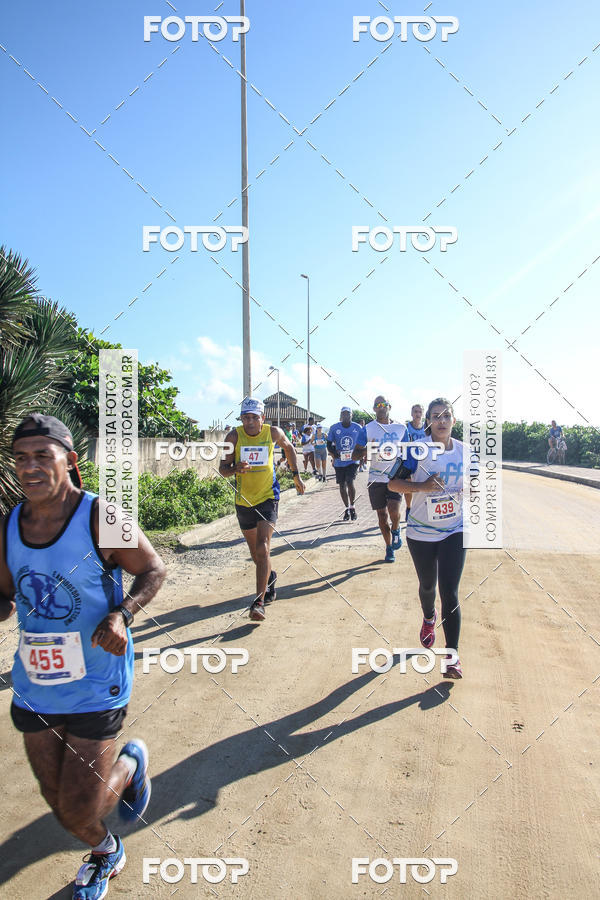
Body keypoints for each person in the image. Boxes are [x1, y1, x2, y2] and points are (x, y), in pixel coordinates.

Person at [0, 414, 167, 900]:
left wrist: (122, 615)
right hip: (35, 684)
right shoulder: (8, 524)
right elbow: (6, 596)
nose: (29, 467)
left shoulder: (100, 516)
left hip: (97, 679)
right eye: (21, 458)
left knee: (77, 809)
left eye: (42, 455)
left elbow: (153, 569)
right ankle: (119, 796)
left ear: (70, 460)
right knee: (58, 799)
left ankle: (109, 837)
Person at [389, 398, 465, 679]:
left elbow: (478, 483)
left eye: (446, 416)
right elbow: (393, 483)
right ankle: (428, 617)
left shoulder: (466, 452)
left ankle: (452, 658)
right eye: (436, 416)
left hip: (454, 529)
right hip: (420, 531)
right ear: (429, 421)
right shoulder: (416, 450)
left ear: (454, 420)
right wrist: (422, 486)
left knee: (450, 592)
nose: (441, 421)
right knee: (428, 586)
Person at [220, 398, 305, 622]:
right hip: (244, 500)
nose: (249, 422)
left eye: (254, 417)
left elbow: (289, 448)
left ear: (262, 418)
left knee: (263, 546)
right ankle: (270, 577)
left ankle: (258, 602)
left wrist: (296, 476)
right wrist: (235, 468)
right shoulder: (233, 437)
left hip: (268, 496)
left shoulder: (273, 432)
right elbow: (223, 469)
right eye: (245, 417)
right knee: (256, 554)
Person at [353, 396, 406, 562]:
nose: (381, 407)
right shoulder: (367, 429)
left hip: (394, 477)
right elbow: (355, 455)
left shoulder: (401, 428)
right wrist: (368, 450)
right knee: (382, 516)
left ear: (390, 407)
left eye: (384, 404)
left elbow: (407, 452)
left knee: (394, 511)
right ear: (374, 409)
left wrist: (407, 473)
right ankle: (389, 547)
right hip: (376, 479)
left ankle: (396, 529)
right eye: (378, 405)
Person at [327, 407, 362, 521]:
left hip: (353, 460)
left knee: (350, 481)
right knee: (342, 485)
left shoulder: (358, 427)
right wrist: (334, 453)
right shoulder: (334, 427)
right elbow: (329, 443)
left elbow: (363, 442)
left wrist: (360, 454)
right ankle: (346, 508)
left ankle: (352, 507)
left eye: (348, 414)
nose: (346, 416)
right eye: (344, 414)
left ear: (352, 415)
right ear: (341, 415)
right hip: (339, 462)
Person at [404, 404, 426, 521]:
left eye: (420, 412)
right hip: (409, 461)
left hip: (424, 461)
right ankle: (408, 507)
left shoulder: (427, 428)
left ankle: (421, 510)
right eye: (415, 412)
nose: (418, 414)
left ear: (423, 414)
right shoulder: (406, 427)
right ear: (411, 413)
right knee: (408, 487)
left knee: (423, 486)